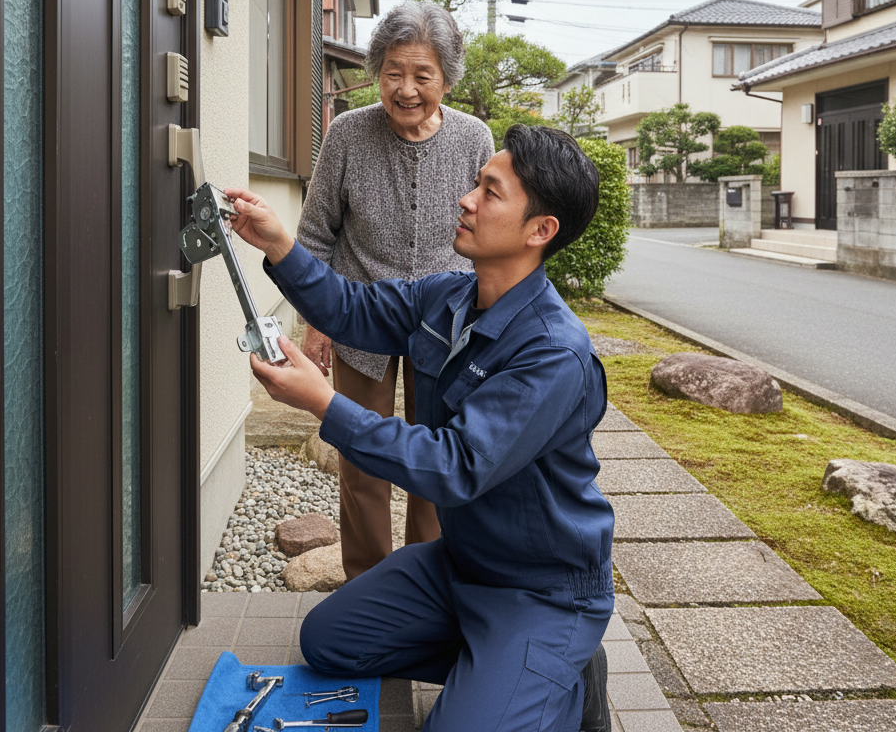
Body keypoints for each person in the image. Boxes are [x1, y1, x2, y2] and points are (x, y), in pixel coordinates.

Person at [226, 124, 614, 732]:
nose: (467, 200)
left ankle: (556, 673)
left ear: (540, 231)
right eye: (476, 184)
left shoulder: (553, 353)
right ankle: (509, 675)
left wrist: (325, 405)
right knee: (329, 641)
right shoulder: (449, 297)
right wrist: (278, 244)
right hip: (462, 565)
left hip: (541, 590)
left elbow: (454, 466)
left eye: (490, 192)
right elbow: (350, 310)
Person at [296, 0, 494, 580]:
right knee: (362, 464)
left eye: (422, 75)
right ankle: (367, 590)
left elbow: (493, 233)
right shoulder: (347, 135)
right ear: (376, 70)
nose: (406, 89)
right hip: (361, 322)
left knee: (437, 468)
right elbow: (313, 236)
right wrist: (318, 321)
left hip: (450, 329)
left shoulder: (473, 139)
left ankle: (427, 588)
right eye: (393, 72)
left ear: (447, 80)